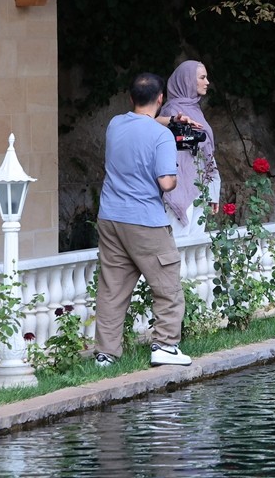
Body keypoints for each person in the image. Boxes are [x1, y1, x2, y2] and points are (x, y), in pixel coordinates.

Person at [94, 72, 194, 368]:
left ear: (130, 98)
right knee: (167, 285)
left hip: (110, 217)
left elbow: (143, 124)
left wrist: (173, 123)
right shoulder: (160, 136)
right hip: (145, 221)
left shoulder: (115, 124)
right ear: (161, 98)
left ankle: (105, 353)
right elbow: (166, 182)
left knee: (112, 287)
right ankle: (165, 345)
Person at [160, 60, 219, 238]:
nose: (207, 82)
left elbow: (207, 153)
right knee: (179, 244)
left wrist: (213, 190)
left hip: (198, 187)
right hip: (178, 188)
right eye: (202, 77)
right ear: (187, 80)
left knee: (195, 244)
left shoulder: (194, 109)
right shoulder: (171, 111)